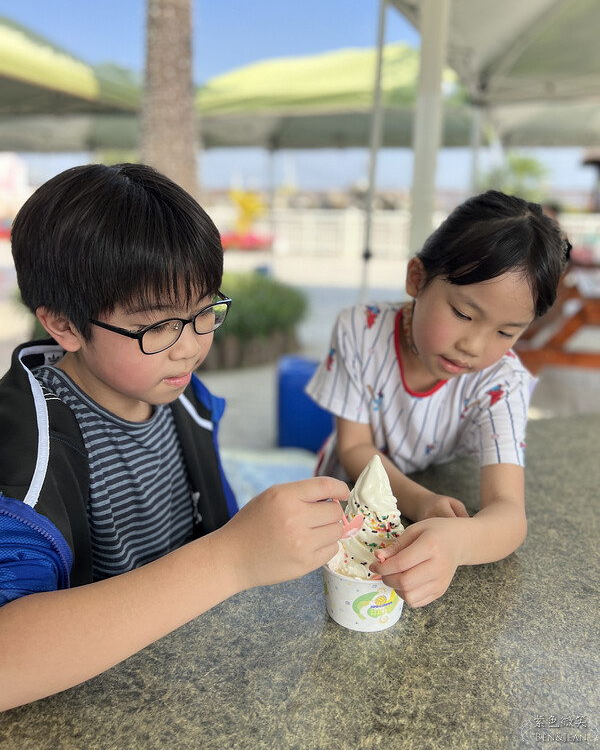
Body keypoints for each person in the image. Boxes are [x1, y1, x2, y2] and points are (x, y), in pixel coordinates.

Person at [0, 163, 348, 711]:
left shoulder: (183, 397)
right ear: (64, 324)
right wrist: (232, 558)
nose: (190, 347)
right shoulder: (24, 454)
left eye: (205, 310)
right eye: (157, 325)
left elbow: (213, 517)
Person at [306, 190, 569, 610]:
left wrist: (459, 543)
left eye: (506, 332)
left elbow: (509, 514)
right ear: (416, 278)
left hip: (431, 512)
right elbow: (355, 447)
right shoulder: (361, 330)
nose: (474, 346)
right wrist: (420, 501)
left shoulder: (502, 382)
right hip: (346, 504)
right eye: (464, 314)